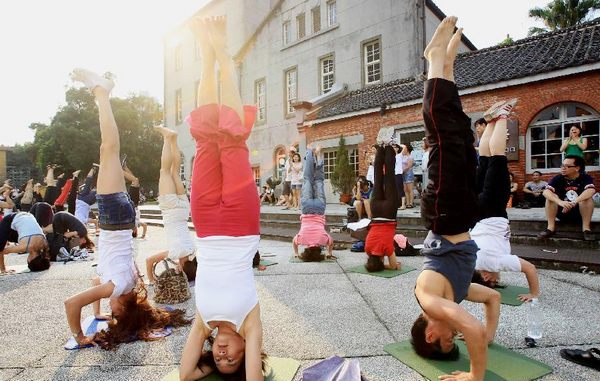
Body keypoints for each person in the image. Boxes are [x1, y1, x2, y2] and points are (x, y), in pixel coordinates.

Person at [65, 68, 189, 350]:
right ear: (122, 306)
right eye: (115, 314)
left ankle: (102, 92)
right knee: (108, 149)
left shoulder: (128, 285)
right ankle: (102, 92)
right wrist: (80, 336)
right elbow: (71, 303)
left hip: (123, 218)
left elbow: (98, 277)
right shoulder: (118, 287)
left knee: (108, 151)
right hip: (114, 218)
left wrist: (97, 313)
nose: (111, 312)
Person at [411, 18, 502, 381]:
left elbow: (473, 330)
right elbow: (493, 301)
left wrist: (474, 376)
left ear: (432, 334)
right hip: (462, 217)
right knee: (463, 139)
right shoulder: (460, 293)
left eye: (450, 343)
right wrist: (491, 338)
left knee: (442, 138)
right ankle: (446, 68)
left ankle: (434, 62)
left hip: (443, 214)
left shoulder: (430, 299)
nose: (457, 338)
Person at [180, 16, 264, 381]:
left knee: (203, 139)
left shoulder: (203, 320)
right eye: (234, 360)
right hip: (242, 227)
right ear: (247, 352)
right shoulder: (250, 321)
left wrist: (205, 361)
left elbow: (185, 376)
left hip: (206, 225)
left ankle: (208, 53)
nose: (223, 354)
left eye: (219, 359)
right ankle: (223, 52)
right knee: (231, 138)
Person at [469, 117, 540, 302]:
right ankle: (492, 122)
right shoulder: (471, 261)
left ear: (485, 277)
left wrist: (534, 294)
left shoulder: (496, 262)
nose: (498, 278)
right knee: (484, 158)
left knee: (498, 156)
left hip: (493, 210)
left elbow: (530, 269)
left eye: (494, 281)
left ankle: (501, 117)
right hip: (476, 213)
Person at [145, 126, 197, 285]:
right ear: (182, 268)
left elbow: (183, 260)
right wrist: (152, 280)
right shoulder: (175, 252)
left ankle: (173, 140)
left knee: (174, 171)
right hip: (171, 209)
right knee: (164, 171)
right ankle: (167, 138)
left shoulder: (192, 250)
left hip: (182, 210)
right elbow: (149, 261)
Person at [538, 155, 596, 241]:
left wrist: (574, 202)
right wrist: (560, 202)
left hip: (580, 212)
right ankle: (550, 228)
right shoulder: (558, 178)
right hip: (562, 211)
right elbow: (545, 192)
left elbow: (591, 190)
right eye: (562, 165)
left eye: (567, 166)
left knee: (587, 199)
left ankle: (586, 229)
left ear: (577, 168)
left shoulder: (585, 177)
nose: (563, 168)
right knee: (551, 197)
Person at [292, 145, 334, 262]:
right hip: (307, 208)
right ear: (306, 251)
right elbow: (293, 242)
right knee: (308, 179)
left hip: (320, 208)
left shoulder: (323, 240)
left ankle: (319, 154)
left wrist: (329, 252)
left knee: (319, 180)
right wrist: (296, 253)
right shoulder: (301, 240)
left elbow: (331, 243)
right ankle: (310, 151)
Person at [364, 145, 401, 272]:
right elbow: (373, 256)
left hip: (389, 212)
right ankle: (380, 149)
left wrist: (384, 266)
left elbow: (394, 266)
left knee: (390, 177)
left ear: (381, 261)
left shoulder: (387, 249)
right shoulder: (367, 249)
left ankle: (389, 148)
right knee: (378, 178)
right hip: (376, 211)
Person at [392, 144, 406, 209]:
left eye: (394, 147)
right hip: (393, 175)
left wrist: (398, 144)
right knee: (395, 190)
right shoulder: (392, 157)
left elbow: (404, 147)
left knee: (400, 189)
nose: (393, 148)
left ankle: (403, 205)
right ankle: (397, 204)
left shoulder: (399, 155)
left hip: (398, 174)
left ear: (397, 148)